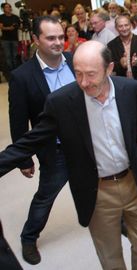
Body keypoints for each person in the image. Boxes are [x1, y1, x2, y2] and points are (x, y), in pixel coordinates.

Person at [0, 40, 137, 269]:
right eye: (77, 74)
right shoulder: (61, 102)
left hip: (134, 183)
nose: (83, 82)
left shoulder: (130, 89)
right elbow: (29, 141)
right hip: (97, 192)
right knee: (110, 254)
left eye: (90, 74)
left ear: (109, 68)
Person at [7, 16, 76, 265]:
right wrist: (23, 158)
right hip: (55, 150)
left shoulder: (74, 60)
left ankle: (115, 221)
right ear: (36, 40)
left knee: (102, 185)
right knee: (45, 196)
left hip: (86, 144)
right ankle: (29, 237)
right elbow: (18, 122)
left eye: (61, 36)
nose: (59, 43)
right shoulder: (22, 76)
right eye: (51, 38)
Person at [107, 15, 137, 83]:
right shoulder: (111, 45)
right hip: (122, 83)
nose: (124, 28)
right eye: (120, 26)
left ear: (131, 25)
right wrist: (120, 64)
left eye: (126, 25)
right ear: (116, 28)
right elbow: (111, 65)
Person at [0, 3, 21, 80]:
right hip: (5, 39)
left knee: (15, 56)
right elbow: (1, 27)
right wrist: (10, 28)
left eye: (9, 7)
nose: (8, 8)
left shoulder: (15, 17)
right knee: (8, 56)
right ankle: (10, 73)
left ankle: (16, 72)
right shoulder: (1, 17)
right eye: (6, 7)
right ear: (3, 9)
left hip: (15, 38)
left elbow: (19, 26)